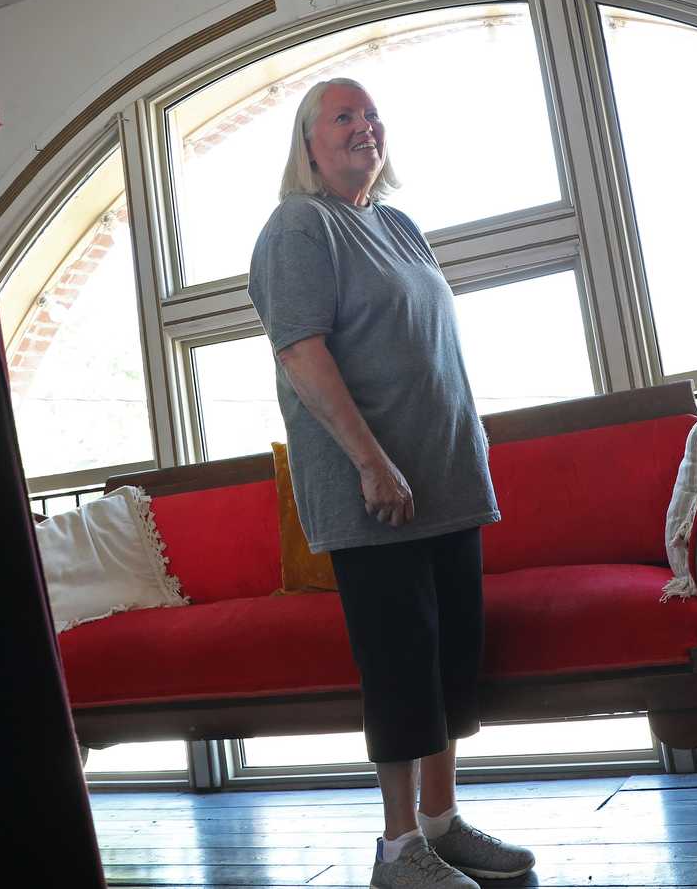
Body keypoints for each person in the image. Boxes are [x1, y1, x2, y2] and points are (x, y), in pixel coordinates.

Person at [249, 78, 538, 889]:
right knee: (401, 666)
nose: (364, 125)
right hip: (373, 489)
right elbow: (301, 354)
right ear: (308, 146)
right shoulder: (298, 227)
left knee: (449, 663)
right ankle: (397, 847)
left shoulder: (401, 226)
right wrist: (372, 460)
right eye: (343, 116)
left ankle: (442, 825)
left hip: (445, 483)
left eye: (371, 114)